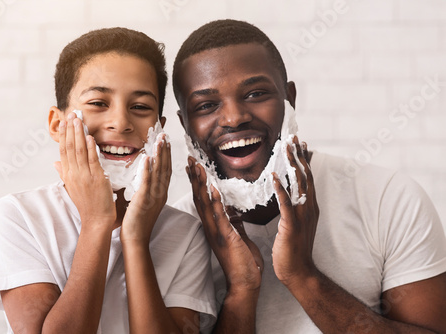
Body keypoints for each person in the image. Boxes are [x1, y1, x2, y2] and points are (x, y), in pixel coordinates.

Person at [172, 19, 446, 333]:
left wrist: (302, 275)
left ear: (290, 99)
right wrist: (242, 289)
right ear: (185, 124)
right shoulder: (175, 234)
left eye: (255, 94)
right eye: (206, 105)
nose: (234, 118)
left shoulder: (388, 197)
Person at [0, 27, 216, 334]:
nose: (121, 123)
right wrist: (96, 222)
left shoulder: (186, 233)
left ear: (159, 127)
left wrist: (136, 240)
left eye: (141, 107)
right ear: (57, 124)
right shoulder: (19, 216)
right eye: (98, 103)